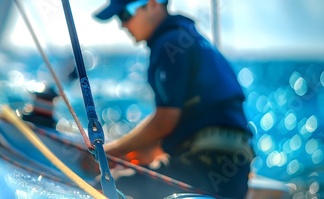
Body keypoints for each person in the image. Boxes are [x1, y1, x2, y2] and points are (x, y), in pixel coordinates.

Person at [87, 0, 255, 198]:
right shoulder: (189, 37)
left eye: (125, 14)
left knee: (102, 187)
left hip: (206, 167)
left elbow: (164, 122)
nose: (122, 24)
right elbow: (195, 121)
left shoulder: (169, 43)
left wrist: (107, 153)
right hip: (230, 172)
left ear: (152, 4)